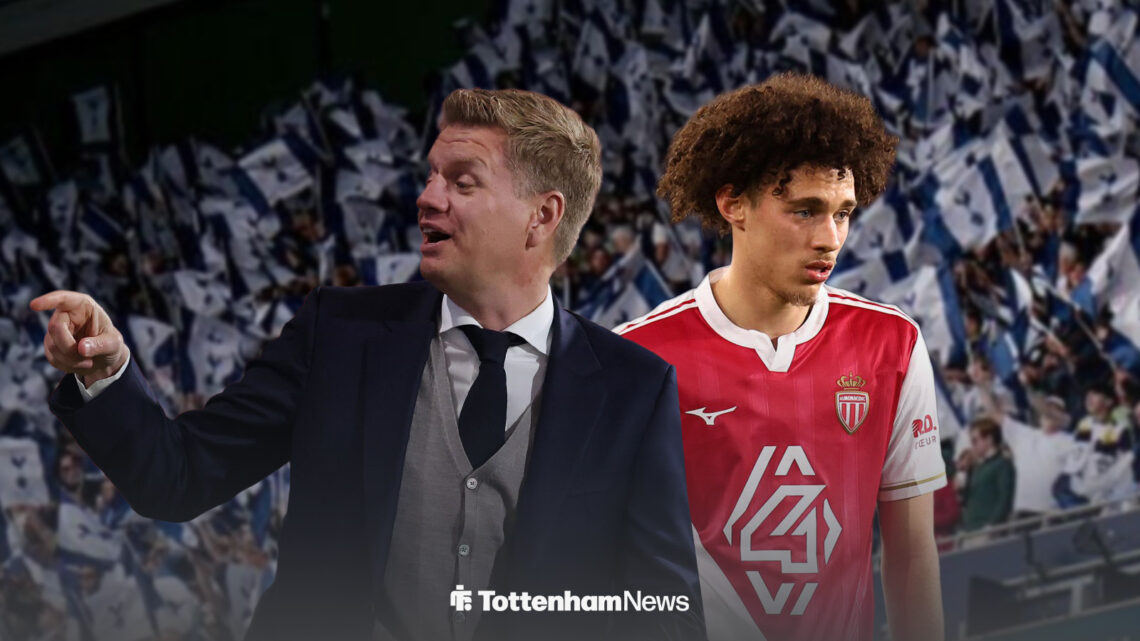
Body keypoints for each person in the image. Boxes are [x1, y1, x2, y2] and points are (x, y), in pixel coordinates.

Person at [31, 88, 703, 641]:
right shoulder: (340, 334)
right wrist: (105, 371)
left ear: (541, 216)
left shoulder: (633, 390)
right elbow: (175, 477)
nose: (427, 197)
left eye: (461, 181)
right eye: (431, 175)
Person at [617, 74, 946, 641]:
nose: (830, 238)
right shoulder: (636, 357)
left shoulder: (891, 344)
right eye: (805, 210)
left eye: (843, 212)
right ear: (733, 203)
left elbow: (912, 553)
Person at [956, 418, 1016, 532]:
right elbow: (968, 499)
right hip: (970, 528)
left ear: (989, 439)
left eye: (975, 441)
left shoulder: (1002, 465)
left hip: (987, 529)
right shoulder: (976, 467)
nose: (972, 445)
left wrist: (992, 525)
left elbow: (1004, 499)